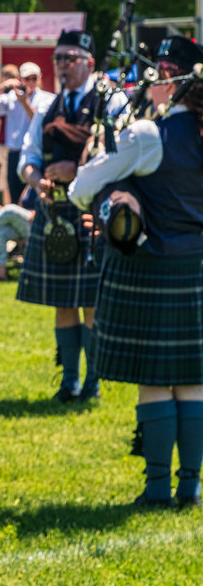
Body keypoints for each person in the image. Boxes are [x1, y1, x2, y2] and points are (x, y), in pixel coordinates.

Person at [69, 35, 203, 508]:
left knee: (155, 378)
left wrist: (106, 192)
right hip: (198, 269)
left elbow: (81, 188)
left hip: (153, 268)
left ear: (170, 78)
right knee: (191, 380)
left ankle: (155, 489)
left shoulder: (148, 136)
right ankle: (190, 487)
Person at [16, 29, 126, 404]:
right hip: (55, 211)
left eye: (70, 58)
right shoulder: (47, 106)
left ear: (89, 63)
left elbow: (119, 158)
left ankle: (94, 381)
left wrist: (76, 173)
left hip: (92, 212)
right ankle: (69, 380)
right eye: (58, 59)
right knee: (64, 301)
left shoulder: (111, 103)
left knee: (92, 300)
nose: (62, 65)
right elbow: (28, 157)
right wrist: (37, 179)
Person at [0, 62, 55, 204]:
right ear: (21, 79)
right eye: (27, 79)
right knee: (14, 196)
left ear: (40, 78)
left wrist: (24, 103)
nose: (30, 82)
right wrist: (3, 86)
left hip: (35, 154)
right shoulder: (12, 96)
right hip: (14, 154)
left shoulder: (46, 98)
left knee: (33, 198)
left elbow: (40, 123)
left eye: (34, 78)